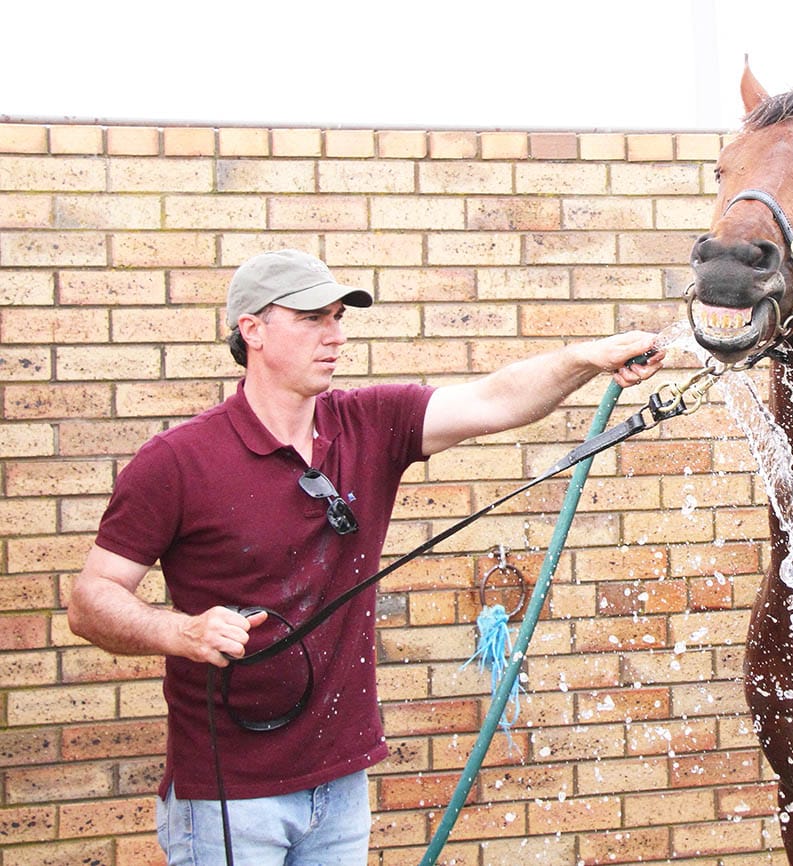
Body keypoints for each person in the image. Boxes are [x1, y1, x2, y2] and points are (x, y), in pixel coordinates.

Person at [67, 248, 664, 865]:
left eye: (337, 317)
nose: (336, 336)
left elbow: (495, 400)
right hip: (228, 801)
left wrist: (583, 360)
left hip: (341, 787)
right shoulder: (176, 461)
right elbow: (91, 600)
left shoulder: (370, 423)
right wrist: (180, 630)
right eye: (312, 319)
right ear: (253, 331)